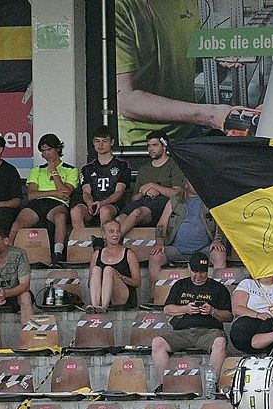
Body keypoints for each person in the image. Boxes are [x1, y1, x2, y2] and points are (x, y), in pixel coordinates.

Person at [114, 0, 242, 145]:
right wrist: (210, 115)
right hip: (144, 142)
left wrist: (219, 55)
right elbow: (126, 100)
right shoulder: (119, 7)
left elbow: (180, 61)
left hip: (188, 129)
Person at [151, 252, 232, 393]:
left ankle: (213, 385)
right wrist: (186, 309)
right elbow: (167, 309)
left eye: (202, 272)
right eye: (195, 271)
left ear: (208, 270)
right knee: (157, 343)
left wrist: (213, 311)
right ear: (189, 268)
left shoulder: (218, 288)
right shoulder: (180, 285)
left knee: (220, 342)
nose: (198, 275)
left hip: (209, 332)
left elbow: (229, 316)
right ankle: (166, 385)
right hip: (182, 332)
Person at [9, 134, 79, 263]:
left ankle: (58, 254)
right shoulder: (37, 170)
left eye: (49, 149)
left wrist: (54, 172)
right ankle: (9, 256)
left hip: (58, 204)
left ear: (58, 148)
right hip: (37, 204)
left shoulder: (71, 170)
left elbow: (65, 193)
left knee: (60, 217)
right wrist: (55, 192)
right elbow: (31, 195)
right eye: (43, 150)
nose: (46, 154)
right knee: (17, 224)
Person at [116, 131, 185, 236]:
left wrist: (153, 186)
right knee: (119, 218)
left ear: (164, 146)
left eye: (155, 145)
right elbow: (134, 198)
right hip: (143, 201)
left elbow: (177, 193)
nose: (150, 149)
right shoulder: (144, 169)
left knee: (137, 213)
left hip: (163, 205)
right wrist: (144, 192)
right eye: (148, 145)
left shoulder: (174, 165)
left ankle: (112, 241)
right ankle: (111, 243)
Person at [149, 180, 226, 272]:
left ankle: (218, 286)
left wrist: (217, 240)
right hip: (177, 249)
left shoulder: (209, 199)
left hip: (204, 249)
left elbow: (221, 222)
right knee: (155, 256)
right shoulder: (174, 201)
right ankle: (154, 287)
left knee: (219, 254)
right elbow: (161, 225)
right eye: (192, 181)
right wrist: (159, 242)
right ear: (185, 184)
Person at [71, 126, 132, 229]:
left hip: (112, 206)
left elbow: (119, 192)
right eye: (97, 141)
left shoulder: (122, 165)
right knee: (75, 211)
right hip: (92, 206)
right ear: (93, 143)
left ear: (112, 142)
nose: (100, 145)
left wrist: (103, 203)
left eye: (104, 141)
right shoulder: (87, 168)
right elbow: (86, 192)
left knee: (105, 211)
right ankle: (82, 243)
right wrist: (90, 203)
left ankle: (104, 243)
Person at [87, 220, 141, 313]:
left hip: (122, 296)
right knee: (96, 270)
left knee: (108, 270)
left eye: (118, 231)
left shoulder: (129, 253)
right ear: (104, 235)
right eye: (111, 231)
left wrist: (121, 277)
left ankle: (103, 307)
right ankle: (95, 306)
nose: (115, 234)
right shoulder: (97, 254)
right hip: (102, 295)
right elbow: (89, 283)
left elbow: (138, 282)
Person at [230, 274, 273, 353]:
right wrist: (257, 315)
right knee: (241, 326)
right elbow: (237, 308)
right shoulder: (247, 283)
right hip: (251, 323)